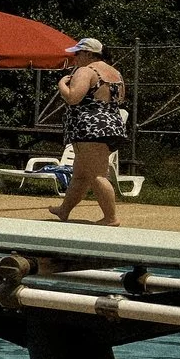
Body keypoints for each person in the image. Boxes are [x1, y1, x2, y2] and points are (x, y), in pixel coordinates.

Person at [50, 38, 126, 225]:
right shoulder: (115, 72)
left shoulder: (86, 71)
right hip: (111, 126)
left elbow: (73, 97)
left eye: (78, 53)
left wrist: (62, 84)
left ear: (89, 54)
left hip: (90, 129)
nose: (75, 57)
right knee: (81, 174)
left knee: (97, 174)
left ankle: (110, 217)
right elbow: (120, 100)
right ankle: (64, 210)